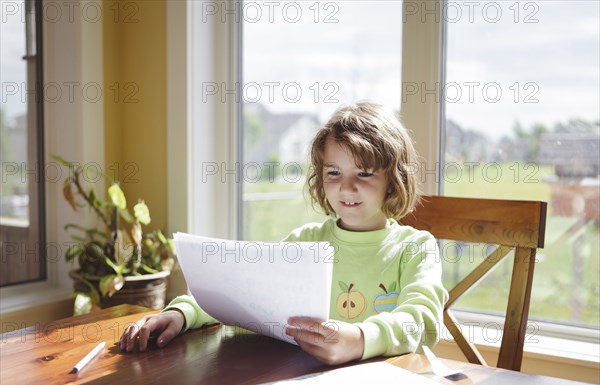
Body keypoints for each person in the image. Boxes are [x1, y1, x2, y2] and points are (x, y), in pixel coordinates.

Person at [120, 101, 448, 366]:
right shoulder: (306, 242)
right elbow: (242, 292)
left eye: (364, 173)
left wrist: (357, 341)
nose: (347, 186)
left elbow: (423, 321)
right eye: (334, 172)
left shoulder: (415, 248)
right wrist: (181, 313)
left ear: (393, 180)